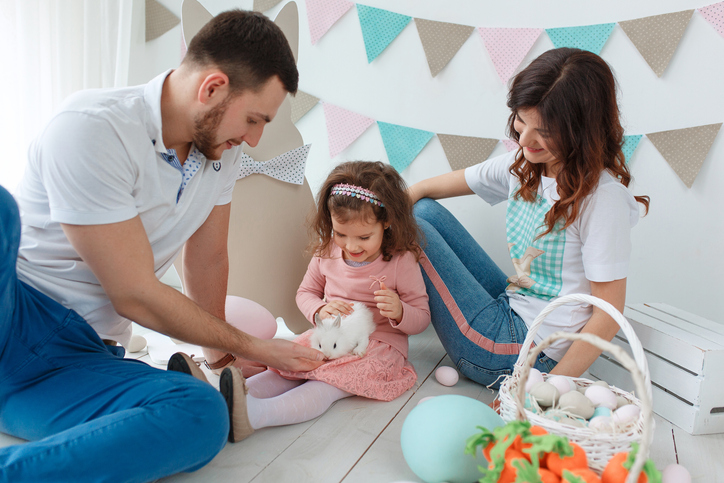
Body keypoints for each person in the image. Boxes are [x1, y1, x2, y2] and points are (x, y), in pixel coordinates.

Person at [0, 10, 324, 483]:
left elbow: (208, 257)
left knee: (199, 412)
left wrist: (222, 358)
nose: (253, 140)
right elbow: (132, 291)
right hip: (16, 312)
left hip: (76, 361)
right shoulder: (93, 126)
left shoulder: (222, 155)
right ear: (212, 88)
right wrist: (258, 345)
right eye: (254, 120)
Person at [408, 47, 650, 388]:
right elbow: (428, 189)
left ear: (583, 130)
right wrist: (374, 210)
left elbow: (608, 315)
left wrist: (546, 388)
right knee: (421, 210)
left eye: (545, 131)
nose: (525, 140)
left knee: (413, 228)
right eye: (522, 122)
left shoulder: (601, 200)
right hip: (512, 304)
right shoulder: (526, 164)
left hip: (525, 354)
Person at [216, 161, 431, 442]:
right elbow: (305, 293)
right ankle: (220, 405)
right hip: (327, 337)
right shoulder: (327, 252)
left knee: (325, 385)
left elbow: (422, 317)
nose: (351, 246)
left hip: (374, 346)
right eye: (341, 234)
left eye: (364, 237)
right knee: (290, 369)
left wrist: (401, 311)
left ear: (387, 222)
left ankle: (256, 415)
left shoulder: (400, 261)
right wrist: (319, 309)